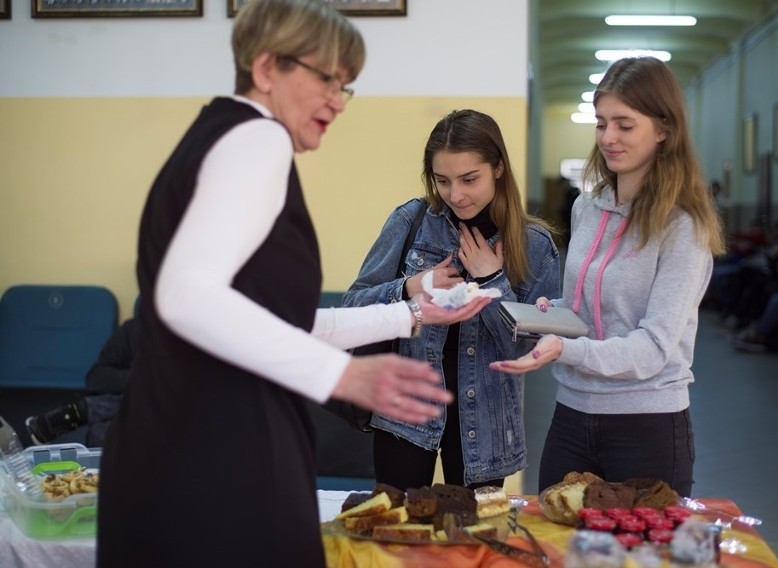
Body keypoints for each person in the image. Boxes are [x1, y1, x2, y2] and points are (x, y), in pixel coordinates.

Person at [96, 2, 490, 567]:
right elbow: (186, 298)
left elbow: (271, 321)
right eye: (327, 78)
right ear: (265, 71)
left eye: (346, 85)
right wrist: (342, 373)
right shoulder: (258, 140)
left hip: (178, 444)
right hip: (212, 448)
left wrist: (412, 313)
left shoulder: (217, 137)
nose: (337, 99)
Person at [490, 57, 725, 498]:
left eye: (624, 124)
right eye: (601, 124)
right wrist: (550, 315)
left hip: (647, 425)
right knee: (558, 551)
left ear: (663, 129)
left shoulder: (682, 227)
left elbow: (653, 348)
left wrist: (567, 349)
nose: (608, 138)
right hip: (572, 416)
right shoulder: (587, 206)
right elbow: (586, 310)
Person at [342, 109, 561, 490]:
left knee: (475, 542)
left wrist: (492, 279)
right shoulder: (411, 221)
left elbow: (531, 349)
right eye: (442, 180)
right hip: (404, 417)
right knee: (398, 535)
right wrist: (410, 286)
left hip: (488, 428)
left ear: (498, 168)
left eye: (469, 179)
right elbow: (352, 309)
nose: (455, 195)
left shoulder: (534, 246)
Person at [25, 317, 139, 447]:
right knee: (100, 434)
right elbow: (96, 379)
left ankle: (75, 414)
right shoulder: (134, 329)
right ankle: (74, 415)